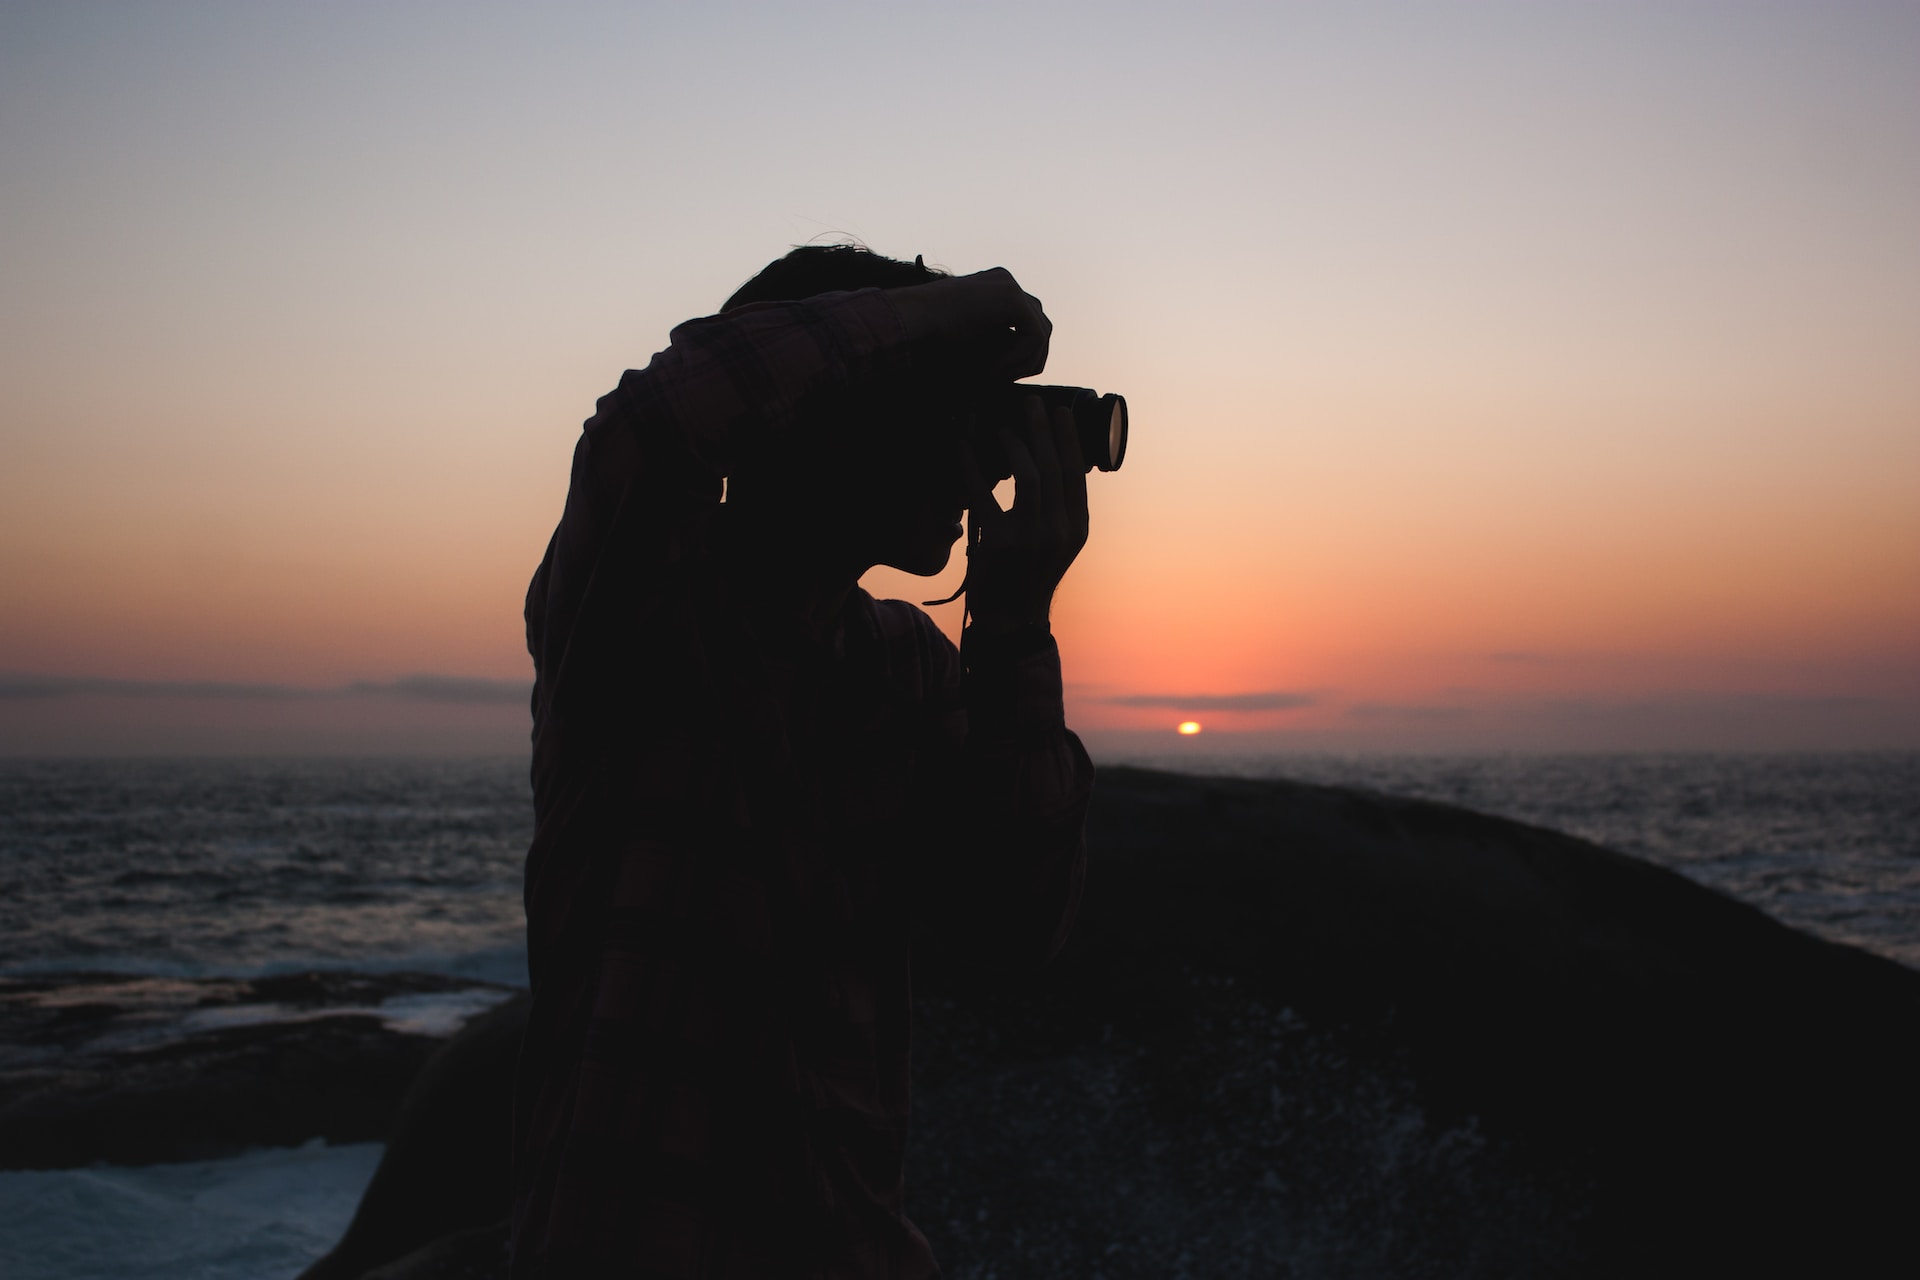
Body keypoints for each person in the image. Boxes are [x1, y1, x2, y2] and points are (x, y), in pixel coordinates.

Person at [512, 245, 1095, 1278]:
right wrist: (961, 307)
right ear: (824, 416)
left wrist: (1015, 621)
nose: (979, 457)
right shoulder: (649, 608)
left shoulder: (901, 668)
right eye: (945, 413)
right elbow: (654, 422)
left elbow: (1011, 927)